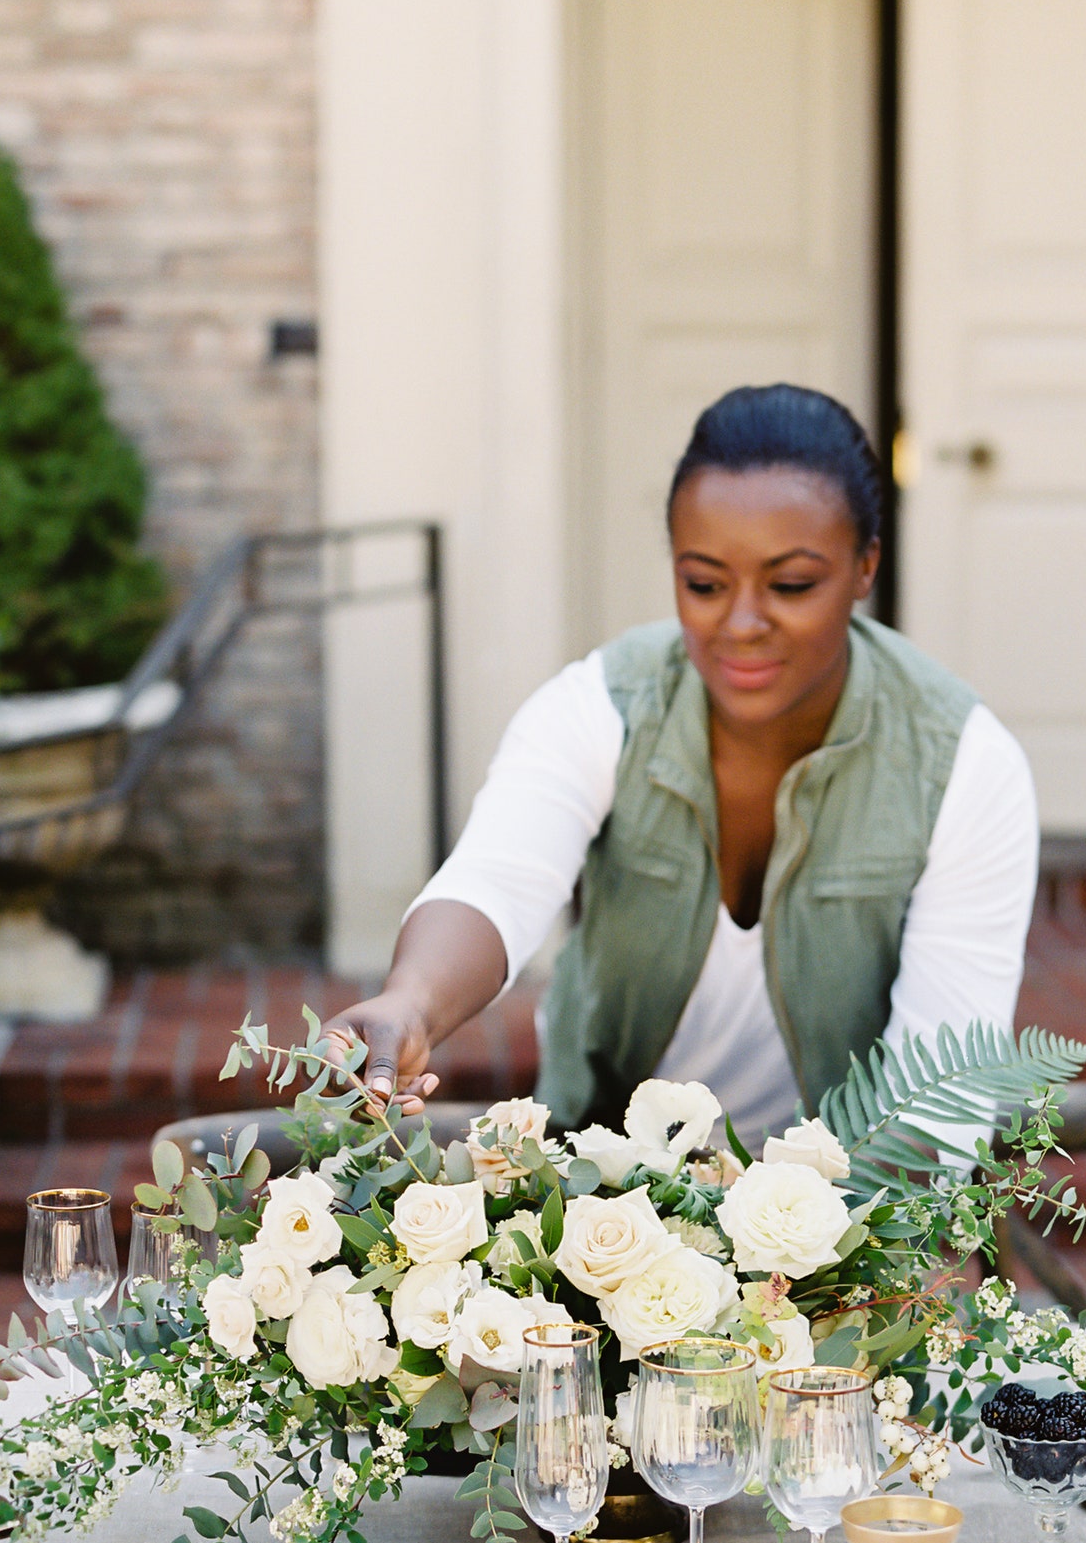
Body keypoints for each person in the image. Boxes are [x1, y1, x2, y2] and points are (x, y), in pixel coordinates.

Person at [329, 383, 1038, 1146]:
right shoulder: (601, 707)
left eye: (791, 584)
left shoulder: (963, 764)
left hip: (855, 1214)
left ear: (866, 565)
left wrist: (827, 1253)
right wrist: (411, 1001)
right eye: (703, 583)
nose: (739, 623)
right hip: (607, 1202)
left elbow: (934, 1101)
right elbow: (498, 878)